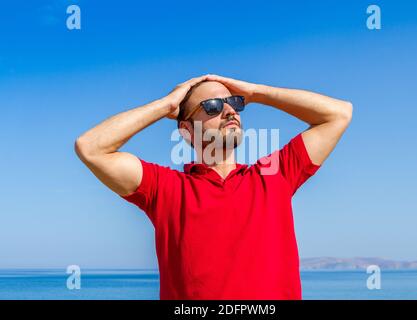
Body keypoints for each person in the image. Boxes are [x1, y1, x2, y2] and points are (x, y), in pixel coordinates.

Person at [74, 74, 353, 299]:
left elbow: (339, 113)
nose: (230, 111)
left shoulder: (274, 175)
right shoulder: (165, 189)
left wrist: (256, 92)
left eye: (234, 102)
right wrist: (166, 105)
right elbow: (91, 147)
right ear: (186, 130)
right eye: (213, 106)